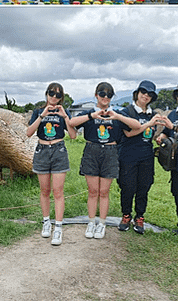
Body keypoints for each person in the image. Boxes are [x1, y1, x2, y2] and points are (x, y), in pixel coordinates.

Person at [69, 82, 140, 240]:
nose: (105, 98)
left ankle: (102, 223)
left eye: (109, 95)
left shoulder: (117, 113)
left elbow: (136, 126)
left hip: (110, 151)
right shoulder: (90, 113)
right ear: (96, 95)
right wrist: (91, 116)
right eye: (102, 94)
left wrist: (117, 116)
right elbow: (71, 123)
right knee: (93, 192)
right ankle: (91, 222)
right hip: (91, 151)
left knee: (104, 192)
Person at [26, 82, 77, 246]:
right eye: (51, 93)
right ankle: (46, 221)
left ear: (61, 97)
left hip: (58, 150)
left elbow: (73, 135)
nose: (54, 97)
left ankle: (58, 227)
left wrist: (66, 117)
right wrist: (42, 115)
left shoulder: (64, 112)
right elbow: (28, 133)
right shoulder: (38, 111)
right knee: (44, 190)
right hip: (42, 150)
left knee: (58, 191)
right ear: (46, 94)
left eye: (57, 95)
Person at [117, 80, 164, 234]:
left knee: (144, 187)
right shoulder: (127, 112)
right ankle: (126, 215)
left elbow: (150, 135)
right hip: (128, 156)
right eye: (143, 92)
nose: (146, 96)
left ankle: (139, 217)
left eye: (150, 94)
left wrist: (159, 137)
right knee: (128, 187)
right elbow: (129, 133)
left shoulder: (153, 114)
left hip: (146, 157)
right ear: (137, 93)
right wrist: (149, 123)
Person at [157, 79, 178, 235]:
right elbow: (167, 132)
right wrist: (162, 137)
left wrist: (174, 127)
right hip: (177, 164)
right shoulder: (172, 114)